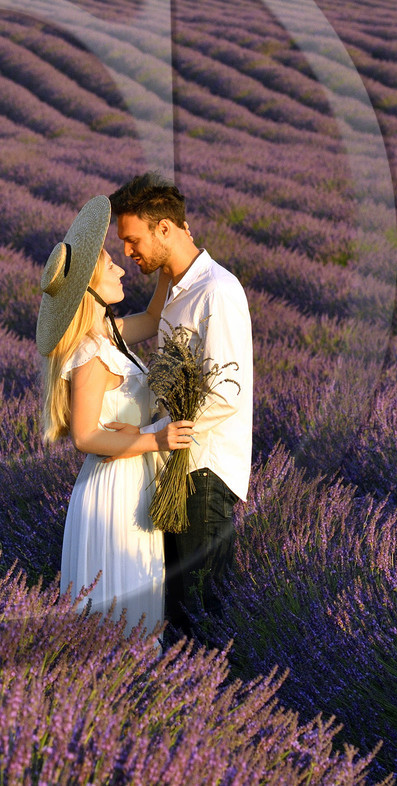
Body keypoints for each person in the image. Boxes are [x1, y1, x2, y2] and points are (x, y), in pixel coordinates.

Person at [37, 194, 197, 644]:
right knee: (122, 616)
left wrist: (171, 259)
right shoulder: (90, 355)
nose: (122, 271)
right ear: (90, 288)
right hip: (113, 493)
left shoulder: (109, 335)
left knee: (134, 613)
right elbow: (85, 437)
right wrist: (156, 439)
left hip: (131, 482)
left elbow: (154, 317)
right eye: (111, 267)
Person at [106, 172, 253, 649]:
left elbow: (224, 393)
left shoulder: (217, 291)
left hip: (203, 475)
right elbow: (154, 337)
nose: (127, 252)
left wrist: (153, 432)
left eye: (133, 240)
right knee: (179, 615)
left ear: (165, 229)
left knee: (201, 619)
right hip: (177, 470)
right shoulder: (177, 288)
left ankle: (213, 696)